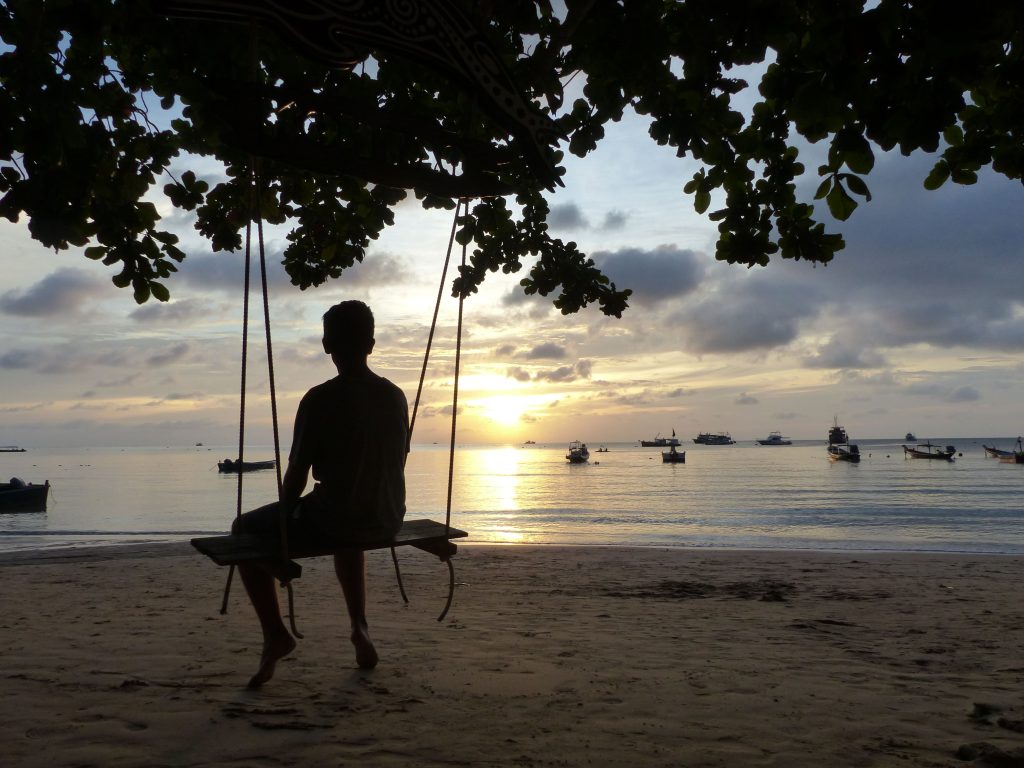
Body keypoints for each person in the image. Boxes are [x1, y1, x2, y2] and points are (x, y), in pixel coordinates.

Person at [232, 300, 409, 688]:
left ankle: (276, 634)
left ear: (327, 345)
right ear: (372, 344)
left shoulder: (320, 399)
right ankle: (359, 627)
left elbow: (295, 479)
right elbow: (398, 460)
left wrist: (282, 525)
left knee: (244, 528)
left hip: (338, 518)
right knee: (348, 517)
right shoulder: (395, 395)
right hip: (387, 515)